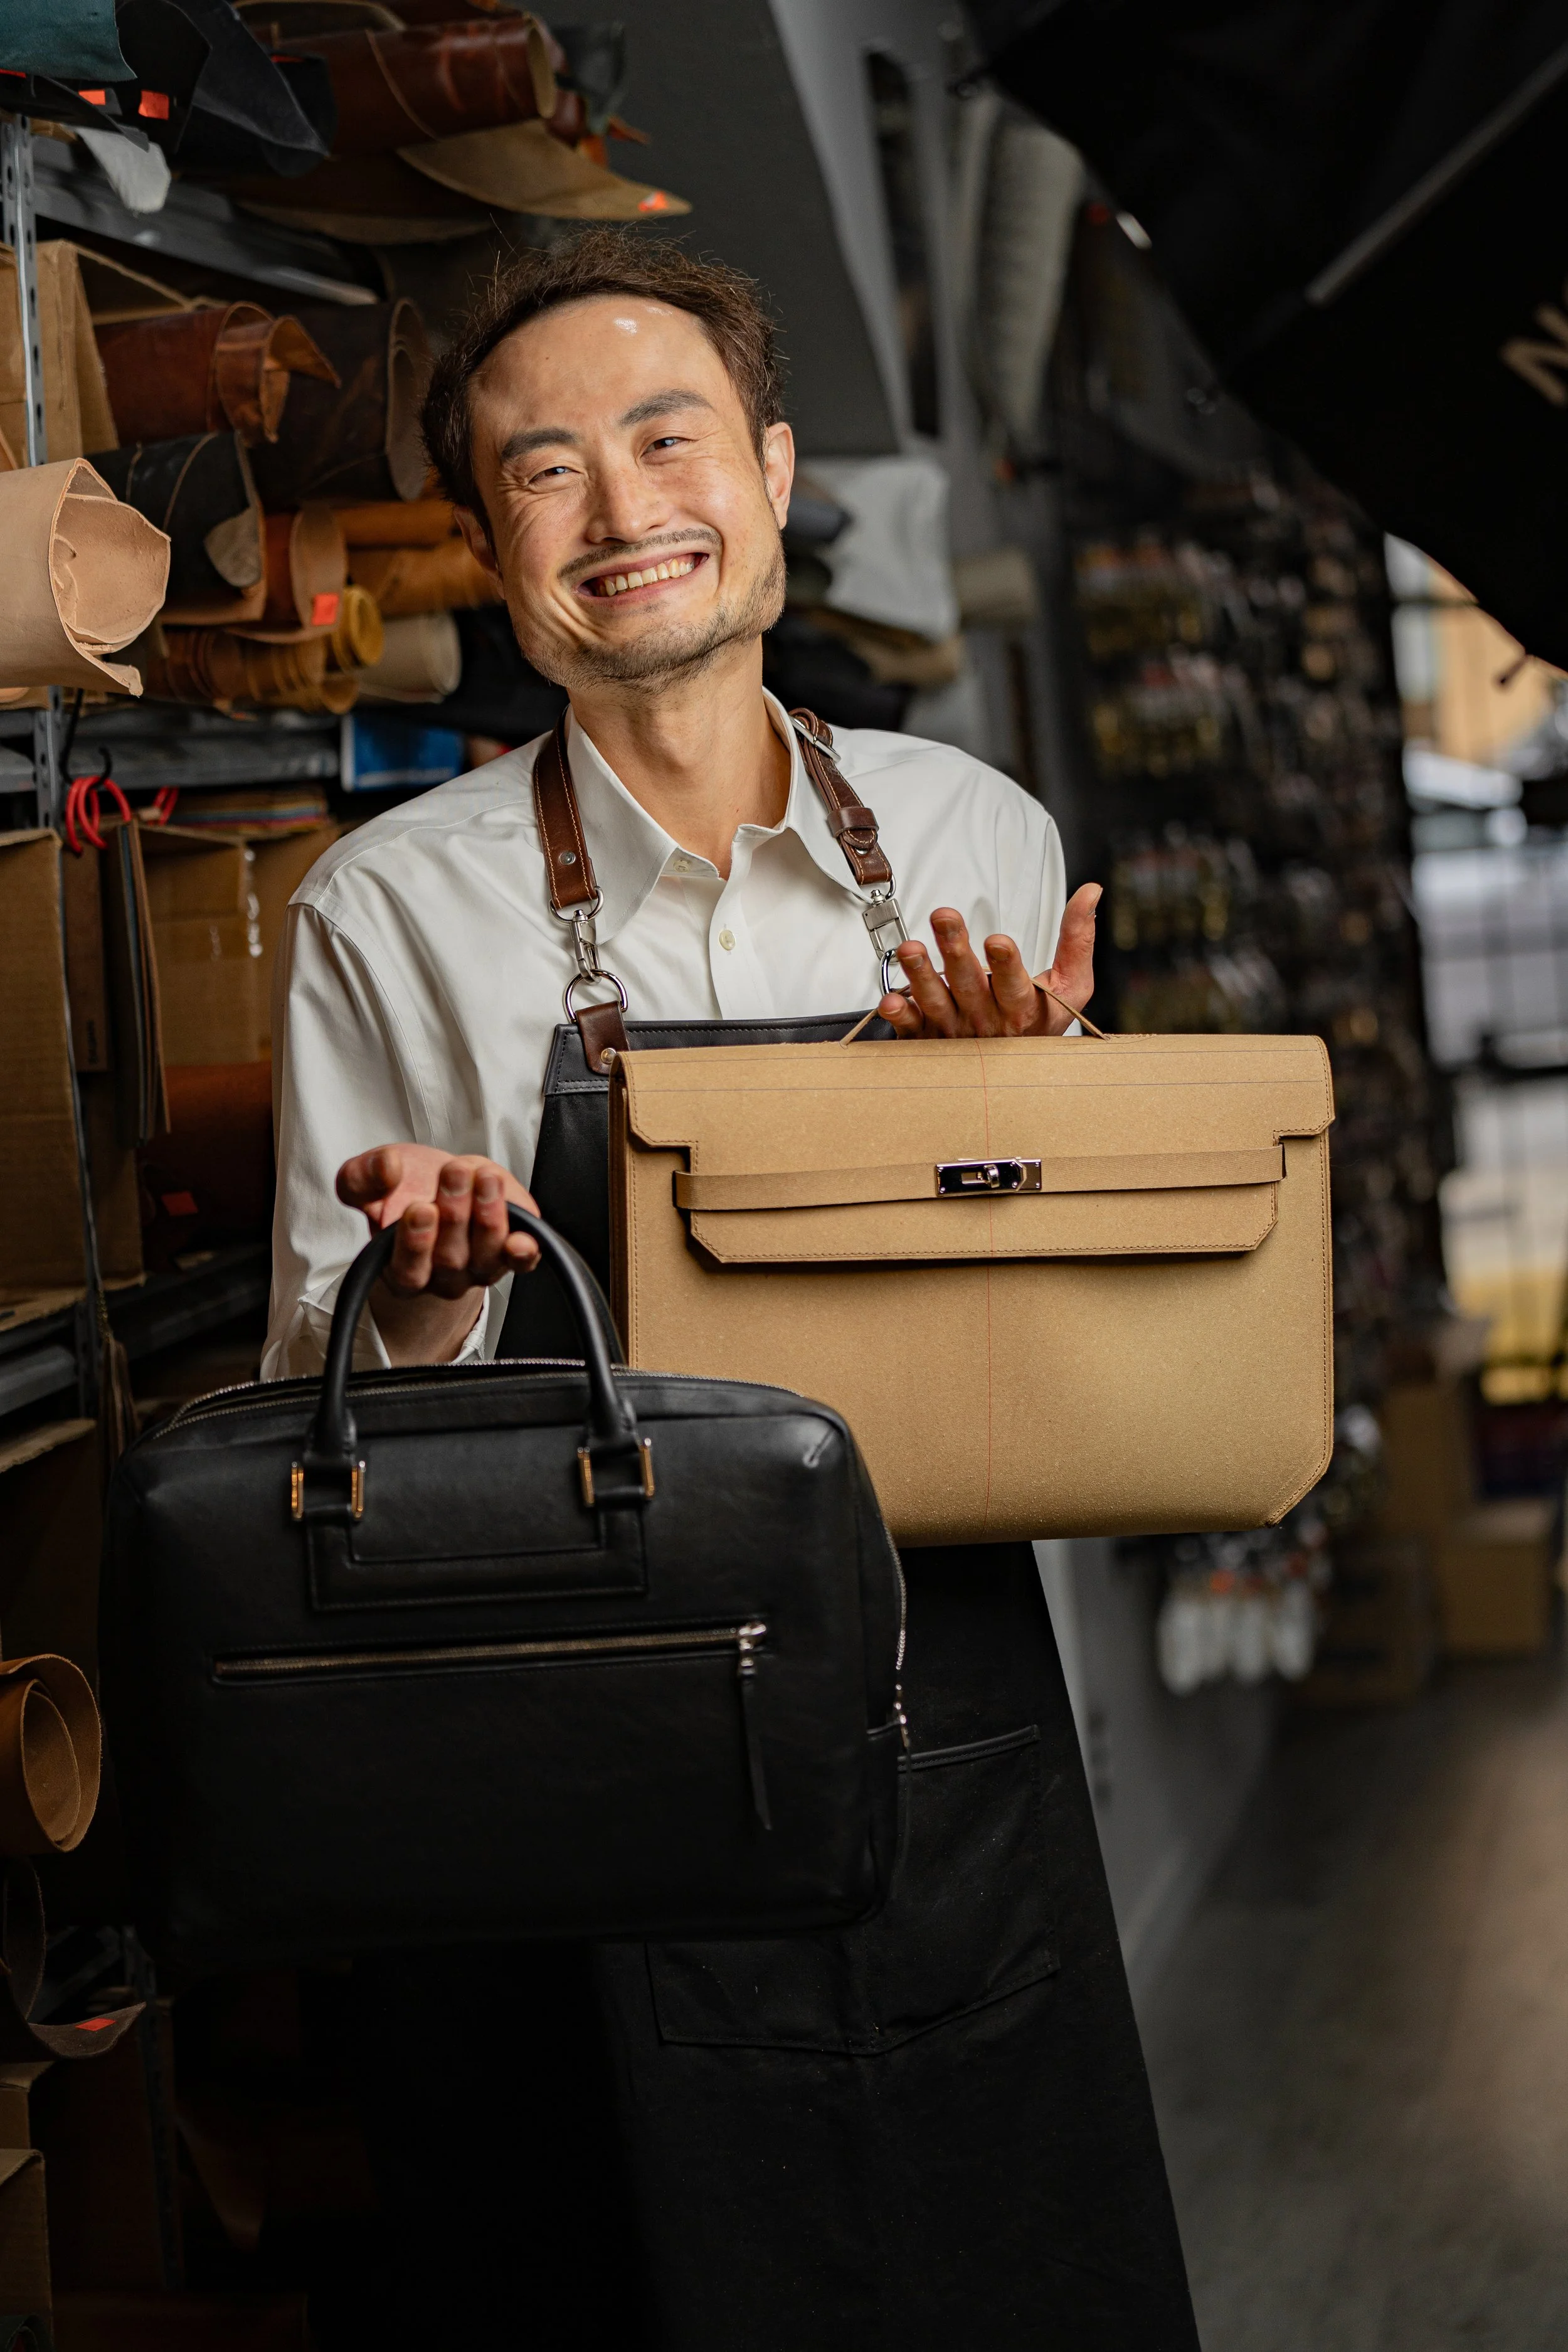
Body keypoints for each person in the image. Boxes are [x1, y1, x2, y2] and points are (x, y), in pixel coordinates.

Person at [265, 230, 1199, 2351]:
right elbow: (299, 1399)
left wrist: (1008, 1136)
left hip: (928, 1688)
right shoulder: (387, 910)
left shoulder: (974, 840)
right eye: (544, 471)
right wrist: (423, 1281)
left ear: (773, 474)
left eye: (668, 438)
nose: (624, 510)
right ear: (497, 543)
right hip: (554, 1738)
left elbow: (1081, 1360)